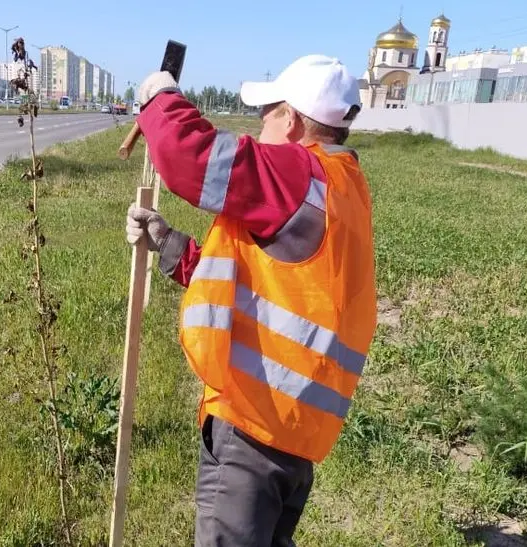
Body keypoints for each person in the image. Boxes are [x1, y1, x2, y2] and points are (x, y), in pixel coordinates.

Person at [124, 54, 379, 546]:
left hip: (253, 434)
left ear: (294, 119)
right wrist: (169, 243)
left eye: (269, 110)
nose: (261, 121)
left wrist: (159, 97)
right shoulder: (344, 187)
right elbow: (266, 286)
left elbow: (187, 157)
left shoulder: (295, 176)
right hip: (294, 436)